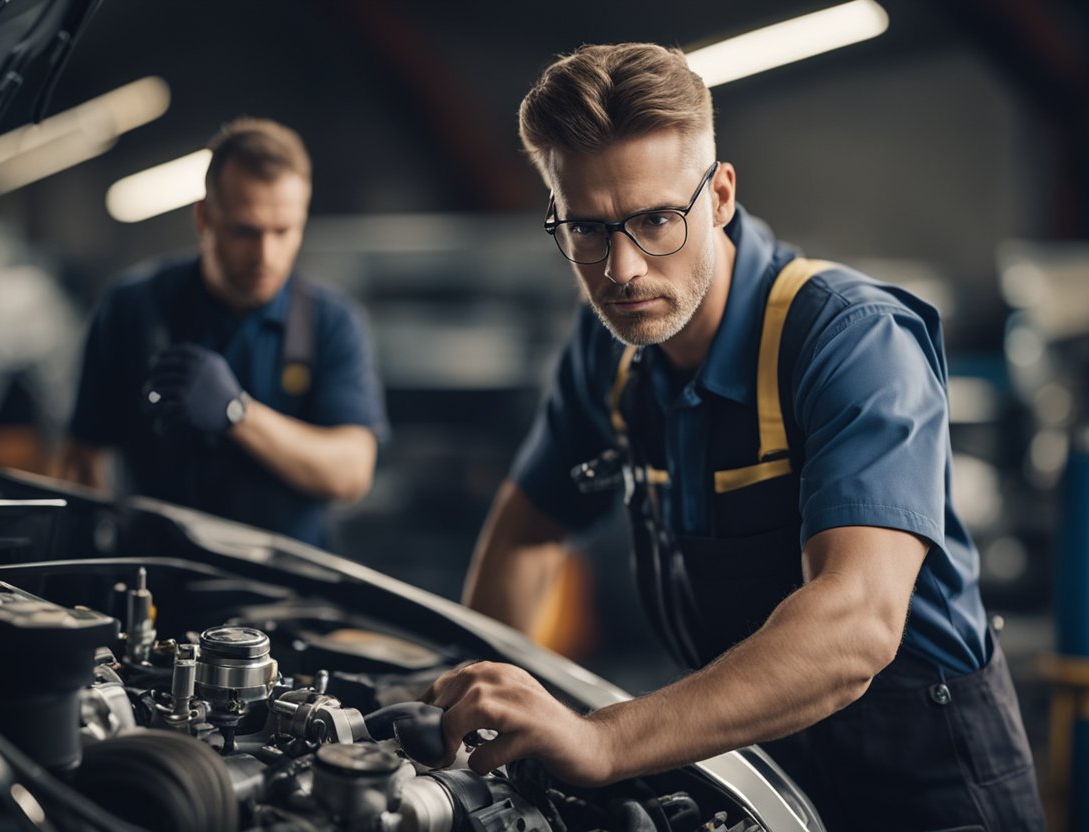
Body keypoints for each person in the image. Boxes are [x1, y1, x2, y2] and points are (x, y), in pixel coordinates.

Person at [424, 43, 1043, 830]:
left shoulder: (850, 342)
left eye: (655, 220)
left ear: (718, 196)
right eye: (586, 227)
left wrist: (602, 740)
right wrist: (485, 722)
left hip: (928, 795)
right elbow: (525, 537)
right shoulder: (609, 354)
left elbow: (854, 624)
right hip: (760, 783)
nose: (620, 269)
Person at [60, 117, 387, 547]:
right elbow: (82, 456)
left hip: (287, 589)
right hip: (157, 576)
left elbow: (351, 474)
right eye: (244, 231)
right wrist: (91, 565)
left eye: (283, 231)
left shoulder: (331, 322)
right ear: (205, 218)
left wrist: (239, 413)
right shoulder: (133, 308)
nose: (265, 255)